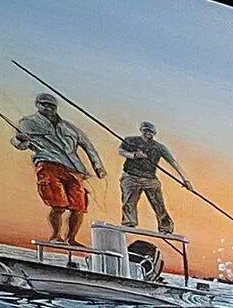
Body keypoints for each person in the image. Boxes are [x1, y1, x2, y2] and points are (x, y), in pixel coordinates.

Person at [11, 91, 103, 246]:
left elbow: (88, 146)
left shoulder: (69, 128)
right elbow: (21, 145)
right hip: (48, 164)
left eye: (51, 105)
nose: (48, 108)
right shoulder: (27, 123)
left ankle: (71, 239)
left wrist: (98, 166)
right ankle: (55, 236)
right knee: (58, 205)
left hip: (74, 169)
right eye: (44, 104)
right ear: (38, 105)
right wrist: (19, 139)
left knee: (78, 207)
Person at [117, 119, 189, 235]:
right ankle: (129, 223)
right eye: (146, 131)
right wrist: (133, 155)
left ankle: (165, 227)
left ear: (154, 133)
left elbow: (173, 162)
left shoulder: (159, 147)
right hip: (130, 176)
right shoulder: (131, 140)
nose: (148, 133)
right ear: (141, 130)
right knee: (129, 202)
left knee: (158, 203)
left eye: (150, 131)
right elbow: (121, 151)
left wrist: (185, 179)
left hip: (150, 179)